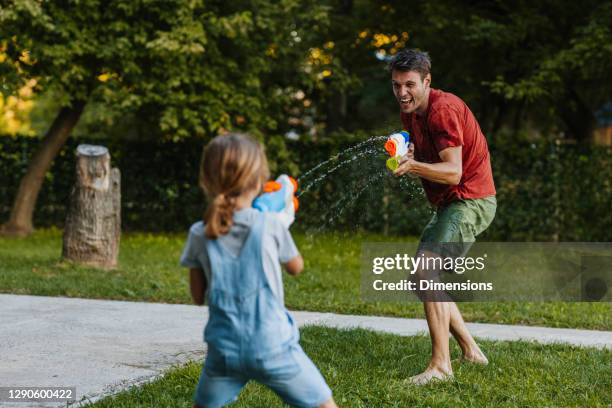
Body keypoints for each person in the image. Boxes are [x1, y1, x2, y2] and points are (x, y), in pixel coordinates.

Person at [180, 133, 337, 408]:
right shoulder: (270, 224)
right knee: (324, 405)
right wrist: (284, 221)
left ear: (207, 180)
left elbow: (197, 296)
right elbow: (296, 267)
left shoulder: (199, 233)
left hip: (223, 351)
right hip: (273, 346)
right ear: (258, 181)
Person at [389, 49, 497, 385]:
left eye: (409, 85)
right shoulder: (413, 113)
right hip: (451, 204)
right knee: (422, 278)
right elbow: (426, 152)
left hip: (470, 200)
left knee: (426, 272)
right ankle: (471, 351)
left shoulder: (443, 109)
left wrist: (414, 166)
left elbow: (452, 172)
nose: (402, 92)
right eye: (396, 85)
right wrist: (407, 153)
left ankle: (440, 367)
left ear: (427, 81)